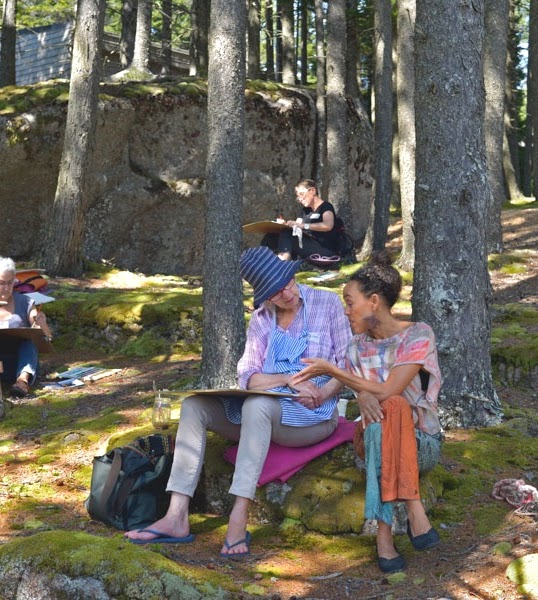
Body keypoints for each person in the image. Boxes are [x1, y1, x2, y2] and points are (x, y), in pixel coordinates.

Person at [125, 246, 352, 556]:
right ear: (265, 296)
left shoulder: (327, 303)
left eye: (287, 283)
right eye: (275, 292)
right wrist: (284, 379)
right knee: (194, 405)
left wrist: (322, 394)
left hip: (312, 417)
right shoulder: (261, 319)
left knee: (257, 406)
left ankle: (238, 517)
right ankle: (176, 516)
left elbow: (348, 367)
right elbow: (249, 376)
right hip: (264, 411)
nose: (286, 293)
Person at [291, 251, 443, 573]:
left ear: (374, 301)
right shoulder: (354, 347)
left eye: (350, 302)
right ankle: (415, 510)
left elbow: (389, 390)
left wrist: (352, 383)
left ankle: (383, 539)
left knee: (394, 405)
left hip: (421, 444)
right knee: (386, 414)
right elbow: (343, 393)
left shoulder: (418, 334)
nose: (346, 312)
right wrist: (345, 392)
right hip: (370, 440)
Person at [0, 256, 53, 399]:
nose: (5, 288)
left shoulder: (26, 302)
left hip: (18, 364)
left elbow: (46, 337)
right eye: (1, 283)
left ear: (14, 281)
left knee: (28, 342)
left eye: (9, 283)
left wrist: (42, 323)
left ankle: (22, 383)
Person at [263, 179, 340, 261]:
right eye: (298, 197)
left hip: (324, 249)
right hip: (305, 244)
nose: (300, 199)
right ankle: (261, 261)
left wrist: (304, 226)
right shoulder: (305, 211)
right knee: (271, 236)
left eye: (301, 194)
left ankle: (281, 264)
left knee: (286, 233)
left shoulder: (326, 207)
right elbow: (296, 227)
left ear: (312, 191)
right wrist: (285, 224)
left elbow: (328, 226)